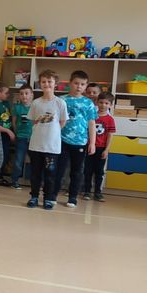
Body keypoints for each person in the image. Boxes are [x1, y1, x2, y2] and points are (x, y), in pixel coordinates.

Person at [52, 69, 97, 208]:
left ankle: (72, 197)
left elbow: (92, 123)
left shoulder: (88, 103)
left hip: (80, 142)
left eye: (82, 84)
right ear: (70, 83)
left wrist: (92, 143)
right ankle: (52, 195)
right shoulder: (61, 100)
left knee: (77, 172)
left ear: (86, 86)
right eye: (76, 83)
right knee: (59, 170)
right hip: (61, 140)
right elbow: (54, 120)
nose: (79, 87)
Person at [27, 69, 68, 209]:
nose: (47, 84)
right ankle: (34, 197)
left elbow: (62, 122)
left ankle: (48, 198)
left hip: (52, 147)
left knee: (50, 173)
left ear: (55, 83)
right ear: (40, 84)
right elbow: (33, 121)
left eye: (50, 81)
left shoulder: (60, 103)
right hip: (36, 145)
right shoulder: (36, 103)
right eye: (43, 81)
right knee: (35, 173)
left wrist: (52, 132)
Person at [83, 91, 116, 202]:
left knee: (99, 172)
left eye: (106, 103)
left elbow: (110, 135)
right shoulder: (91, 116)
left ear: (110, 105)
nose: (103, 105)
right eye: (101, 102)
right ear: (97, 102)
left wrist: (106, 150)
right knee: (87, 170)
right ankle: (87, 191)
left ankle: (98, 192)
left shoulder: (110, 119)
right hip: (89, 147)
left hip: (102, 149)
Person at [10, 83, 34, 190]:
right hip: (21, 138)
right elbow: (14, 122)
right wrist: (17, 133)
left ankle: (35, 182)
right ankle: (14, 181)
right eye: (21, 94)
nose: (24, 96)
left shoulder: (35, 106)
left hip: (34, 139)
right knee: (18, 160)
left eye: (26, 93)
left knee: (35, 161)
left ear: (31, 95)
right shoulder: (17, 108)